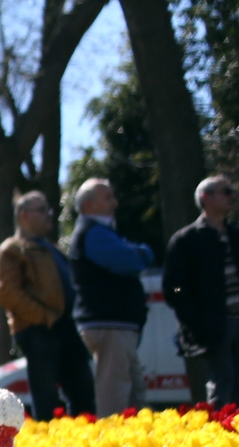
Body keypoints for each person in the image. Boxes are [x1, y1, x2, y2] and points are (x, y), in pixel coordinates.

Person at [62, 180, 143, 415]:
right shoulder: (94, 234)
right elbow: (130, 260)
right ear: (88, 205)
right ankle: (112, 445)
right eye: (107, 198)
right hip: (109, 323)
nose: (115, 203)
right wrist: (142, 252)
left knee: (133, 392)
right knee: (115, 395)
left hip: (114, 323)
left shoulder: (101, 232)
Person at [163, 175, 238, 406]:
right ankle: (219, 434)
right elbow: (174, 286)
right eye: (225, 191)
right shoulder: (187, 240)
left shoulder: (235, 235)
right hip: (216, 324)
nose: (231, 195)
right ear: (206, 197)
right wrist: (196, 320)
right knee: (223, 380)